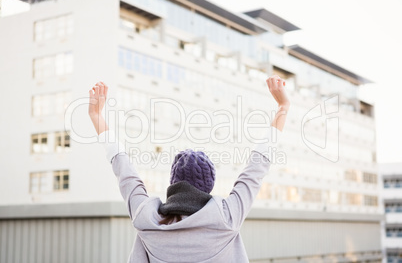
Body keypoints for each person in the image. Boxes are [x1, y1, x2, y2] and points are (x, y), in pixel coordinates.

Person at [88, 75, 290, 262]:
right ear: (208, 186)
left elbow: (123, 168)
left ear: (173, 184)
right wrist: (283, 106)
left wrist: (96, 115)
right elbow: (257, 166)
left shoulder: (146, 218)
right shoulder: (227, 217)